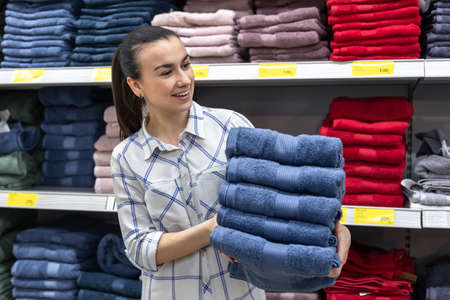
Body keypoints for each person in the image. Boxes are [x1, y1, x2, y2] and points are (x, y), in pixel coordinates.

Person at [110, 25, 351, 300]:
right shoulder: (126, 157)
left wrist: (331, 229)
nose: (184, 79)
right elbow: (140, 249)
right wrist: (215, 228)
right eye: (167, 72)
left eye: (186, 65)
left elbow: (278, 202)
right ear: (136, 85)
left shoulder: (231, 128)